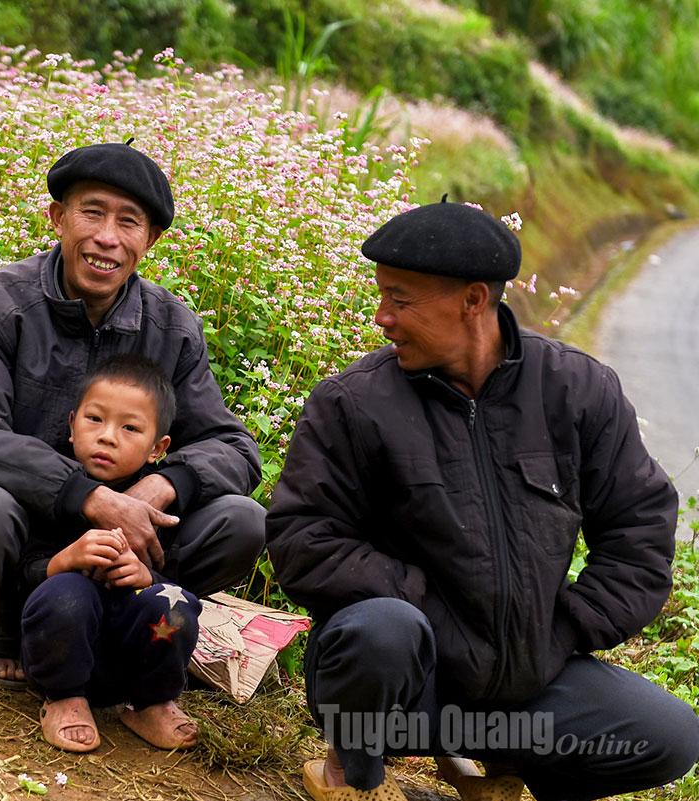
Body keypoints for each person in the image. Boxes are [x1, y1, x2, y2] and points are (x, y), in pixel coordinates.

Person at [265, 198, 699, 801]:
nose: (382, 317)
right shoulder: (351, 404)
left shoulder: (578, 389)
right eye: (382, 296)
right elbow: (303, 540)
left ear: (473, 300)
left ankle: (505, 768)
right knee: (382, 631)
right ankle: (353, 774)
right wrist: (428, 611)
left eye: (400, 299)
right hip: (404, 684)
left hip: (527, 679)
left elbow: (640, 530)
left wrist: (566, 628)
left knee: (669, 734)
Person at [0, 141, 264, 688]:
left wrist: (158, 488)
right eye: (91, 212)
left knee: (243, 520)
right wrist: (89, 497)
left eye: (129, 222)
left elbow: (231, 446)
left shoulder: (172, 328)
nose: (107, 238)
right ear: (57, 218)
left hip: (127, 535)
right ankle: (10, 622)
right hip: (18, 520)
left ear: (151, 239)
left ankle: (134, 619)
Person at [21, 353, 202, 753]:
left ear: (158, 448)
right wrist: (64, 560)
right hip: (60, 644)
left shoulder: (157, 503)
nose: (107, 437)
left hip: (129, 649)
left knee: (175, 606)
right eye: (94, 420)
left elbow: (177, 578)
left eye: (130, 428)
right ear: (71, 426)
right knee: (66, 595)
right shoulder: (52, 487)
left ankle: (151, 702)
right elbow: (20, 574)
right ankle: (64, 698)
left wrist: (147, 578)